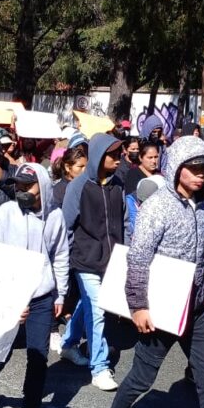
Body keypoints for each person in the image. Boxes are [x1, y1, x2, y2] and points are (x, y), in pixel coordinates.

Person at [96, 136, 204, 408]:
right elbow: (138, 259)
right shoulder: (158, 206)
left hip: (195, 309)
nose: (201, 174)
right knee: (142, 378)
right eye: (194, 168)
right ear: (176, 167)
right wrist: (139, 306)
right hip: (162, 308)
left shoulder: (203, 209)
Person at [0, 163, 69, 408]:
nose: (21, 191)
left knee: (38, 356)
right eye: (18, 186)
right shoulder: (6, 212)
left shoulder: (55, 216)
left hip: (42, 297)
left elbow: (60, 256)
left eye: (27, 186)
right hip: (9, 294)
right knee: (2, 349)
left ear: (41, 187)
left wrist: (61, 293)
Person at [59, 134, 125, 391]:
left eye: (119, 155)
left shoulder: (118, 184)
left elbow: (126, 220)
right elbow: (65, 225)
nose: (118, 160)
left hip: (111, 260)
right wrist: (64, 263)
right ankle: (99, 367)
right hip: (84, 260)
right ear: (99, 156)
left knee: (89, 306)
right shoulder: (79, 186)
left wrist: (125, 250)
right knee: (98, 311)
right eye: (113, 155)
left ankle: (68, 344)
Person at [51, 143, 88, 208]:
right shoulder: (58, 191)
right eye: (80, 166)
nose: (84, 170)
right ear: (67, 167)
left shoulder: (88, 185)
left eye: (86, 166)